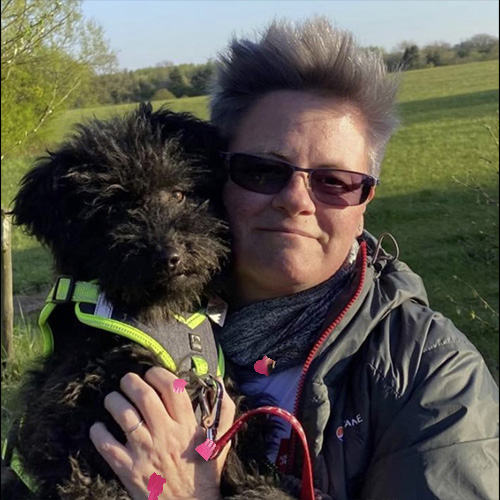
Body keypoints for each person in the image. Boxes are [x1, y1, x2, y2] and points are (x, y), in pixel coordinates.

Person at [89, 17, 499, 500]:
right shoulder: (120, 317)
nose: (297, 200)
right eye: (263, 170)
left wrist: (189, 493)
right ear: (212, 178)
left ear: (365, 203)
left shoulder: (430, 375)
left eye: (335, 181)